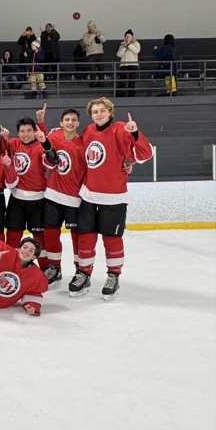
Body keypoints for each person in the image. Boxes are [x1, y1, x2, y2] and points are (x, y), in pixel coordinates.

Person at [71, 97, 153, 300]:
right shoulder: (88, 131)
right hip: (89, 196)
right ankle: (84, 274)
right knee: (85, 238)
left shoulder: (120, 129)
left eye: (102, 110)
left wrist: (135, 132)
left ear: (110, 112)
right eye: (95, 111)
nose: (98, 114)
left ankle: (113, 276)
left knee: (112, 239)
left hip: (114, 197)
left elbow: (145, 154)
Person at [35, 106, 86, 289]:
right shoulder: (55, 135)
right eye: (67, 120)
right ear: (61, 123)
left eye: (73, 120)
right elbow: (45, 141)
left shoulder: (83, 143)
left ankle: (80, 270)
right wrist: (40, 121)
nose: (70, 123)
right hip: (53, 195)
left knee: (76, 237)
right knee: (50, 234)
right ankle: (54, 268)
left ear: (78, 123)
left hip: (74, 199)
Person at [0, 116, 48, 270]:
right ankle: (10, 267)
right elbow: (2, 150)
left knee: (40, 237)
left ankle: (46, 269)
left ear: (34, 131)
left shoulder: (40, 146)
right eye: (22, 131)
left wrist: (41, 123)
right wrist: (3, 137)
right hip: (16, 199)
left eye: (29, 130)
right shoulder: (14, 143)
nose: (25, 134)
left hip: (38, 199)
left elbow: (50, 149)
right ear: (18, 133)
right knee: (13, 235)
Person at [116, 29, 141, 98]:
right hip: (123, 65)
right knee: (122, 80)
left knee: (132, 80)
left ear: (132, 37)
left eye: (129, 36)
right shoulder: (122, 45)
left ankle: (131, 95)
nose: (127, 37)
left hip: (133, 64)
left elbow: (136, 51)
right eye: (126, 36)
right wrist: (124, 46)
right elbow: (119, 54)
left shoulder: (136, 43)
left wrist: (129, 44)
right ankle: (120, 94)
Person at [82, 21, 106, 87]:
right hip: (90, 54)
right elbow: (87, 42)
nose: (90, 28)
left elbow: (104, 40)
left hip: (100, 53)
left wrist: (99, 35)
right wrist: (93, 34)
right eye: (89, 27)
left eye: (91, 26)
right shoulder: (85, 35)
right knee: (92, 69)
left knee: (101, 69)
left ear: (95, 26)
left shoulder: (100, 32)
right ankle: (93, 83)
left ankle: (101, 83)